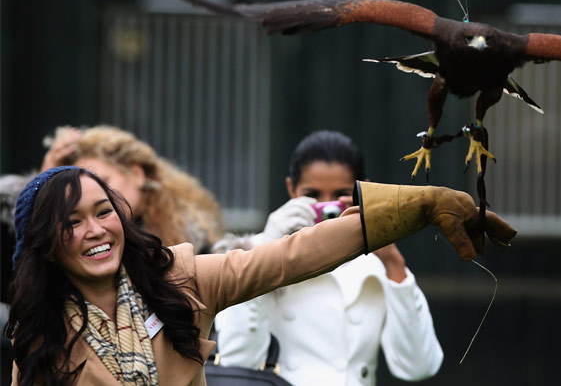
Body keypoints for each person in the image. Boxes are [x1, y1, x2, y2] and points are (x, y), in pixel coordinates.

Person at [4, 165, 515, 386]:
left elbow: (292, 256)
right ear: (46, 246)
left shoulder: (179, 279)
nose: (95, 230)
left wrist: (418, 205)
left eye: (102, 211)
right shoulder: (38, 337)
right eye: (71, 222)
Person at [214, 131, 443, 385]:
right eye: (312, 195)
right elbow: (237, 358)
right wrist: (266, 252)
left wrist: (393, 263)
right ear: (292, 189)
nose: (328, 207)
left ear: (363, 190)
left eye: (340, 195)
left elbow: (418, 366)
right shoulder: (256, 251)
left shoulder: (376, 262)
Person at [41, 125, 224, 253]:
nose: (95, 193)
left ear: (137, 174)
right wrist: (43, 191)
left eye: (103, 182)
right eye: (82, 188)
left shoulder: (194, 240)